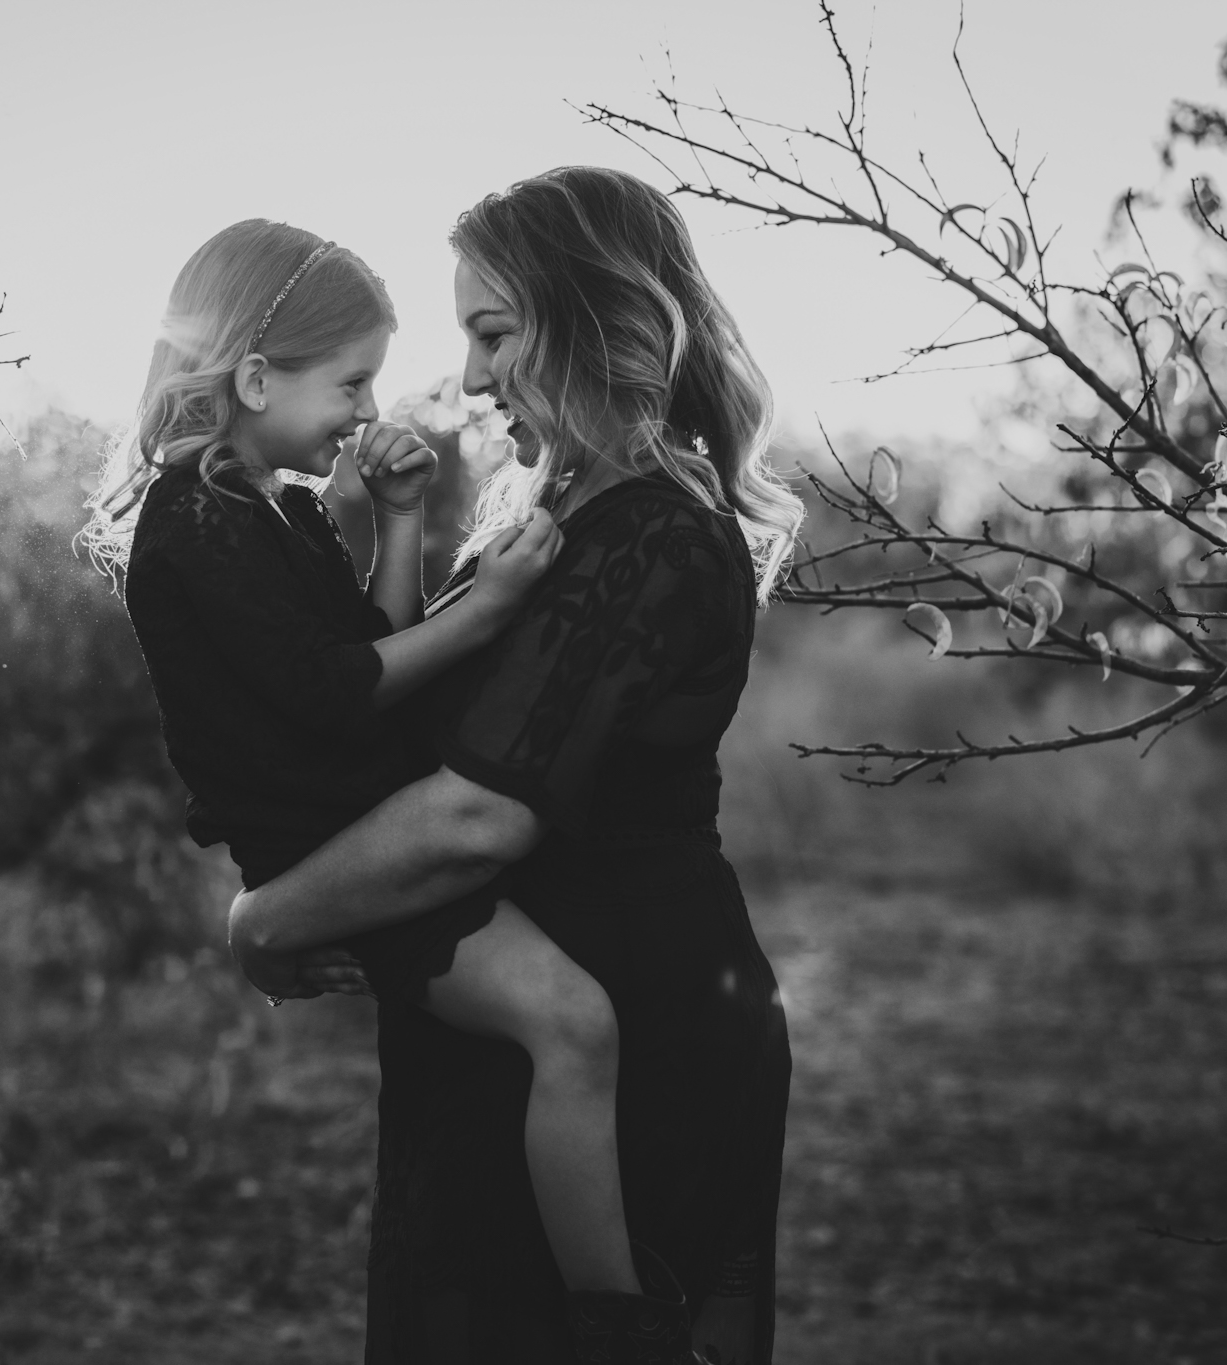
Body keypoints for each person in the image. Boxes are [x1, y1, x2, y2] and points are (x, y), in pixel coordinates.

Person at [227, 168, 805, 1364]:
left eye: (494, 333)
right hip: (513, 1040)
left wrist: (265, 919)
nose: (477, 377)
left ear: (597, 318)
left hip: (630, 1048)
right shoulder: (556, 515)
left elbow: (480, 815)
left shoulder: (649, 531)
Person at [81, 219, 653, 1341]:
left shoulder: (276, 507)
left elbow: (372, 647)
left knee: (563, 1023)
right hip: (331, 850)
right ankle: (620, 1326)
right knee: (572, 1026)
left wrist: (396, 522)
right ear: (253, 376)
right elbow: (338, 694)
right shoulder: (190, 521)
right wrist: (487, 606)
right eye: (350, 382)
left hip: (363, 816)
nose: (364, 410)